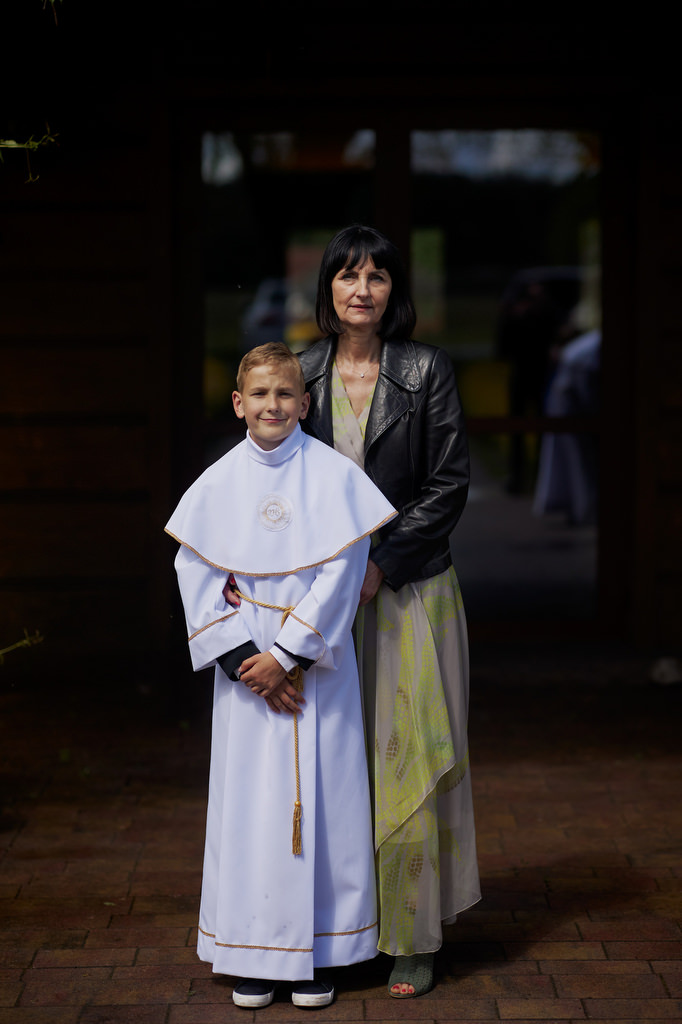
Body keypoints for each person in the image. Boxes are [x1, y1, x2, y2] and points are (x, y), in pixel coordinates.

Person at [165, 343, 396, 1010]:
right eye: (260, 395)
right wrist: (250, 665)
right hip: (246, 675)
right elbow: (195, 573)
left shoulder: (334, 477)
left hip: (316, 667)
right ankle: (253, 954)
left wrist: (287, 657)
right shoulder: (217, 484)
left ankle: (321, 951)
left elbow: (344, 569)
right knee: (250, 807)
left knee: (326, 803)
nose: (273, 405)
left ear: (305, 402)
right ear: (239, 404)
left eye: (285, 394)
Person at [298, 225, 481, 998]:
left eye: (376, 275)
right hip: (324, 597)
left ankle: (411, 933)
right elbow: (274, 475)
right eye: (348, 274)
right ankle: (339, 929)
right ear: (328, 289)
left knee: (406, 756)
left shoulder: (425, 369)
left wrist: (381, 564)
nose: (362, 289)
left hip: (409, 590)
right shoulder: (301, 371)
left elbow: (449, 483)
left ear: (393, 291)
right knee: (332, 763)